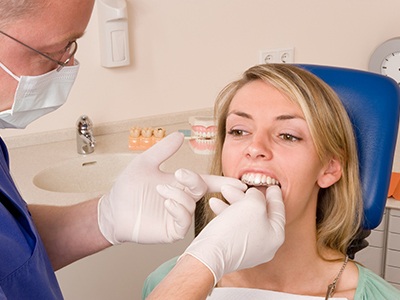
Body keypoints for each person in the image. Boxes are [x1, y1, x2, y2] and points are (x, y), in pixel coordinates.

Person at [0, 1, 289, 298]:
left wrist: (103, 218)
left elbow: (13, 251)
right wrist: (203, 261)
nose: (68, 65)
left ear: (332, 166)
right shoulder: (162, 279)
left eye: (288, 135)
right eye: (54, 51)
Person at [143, 64, 400, 299]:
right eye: (239, 131)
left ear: (329, 168)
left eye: (288, 135)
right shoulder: (168, 283)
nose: (255, 147)